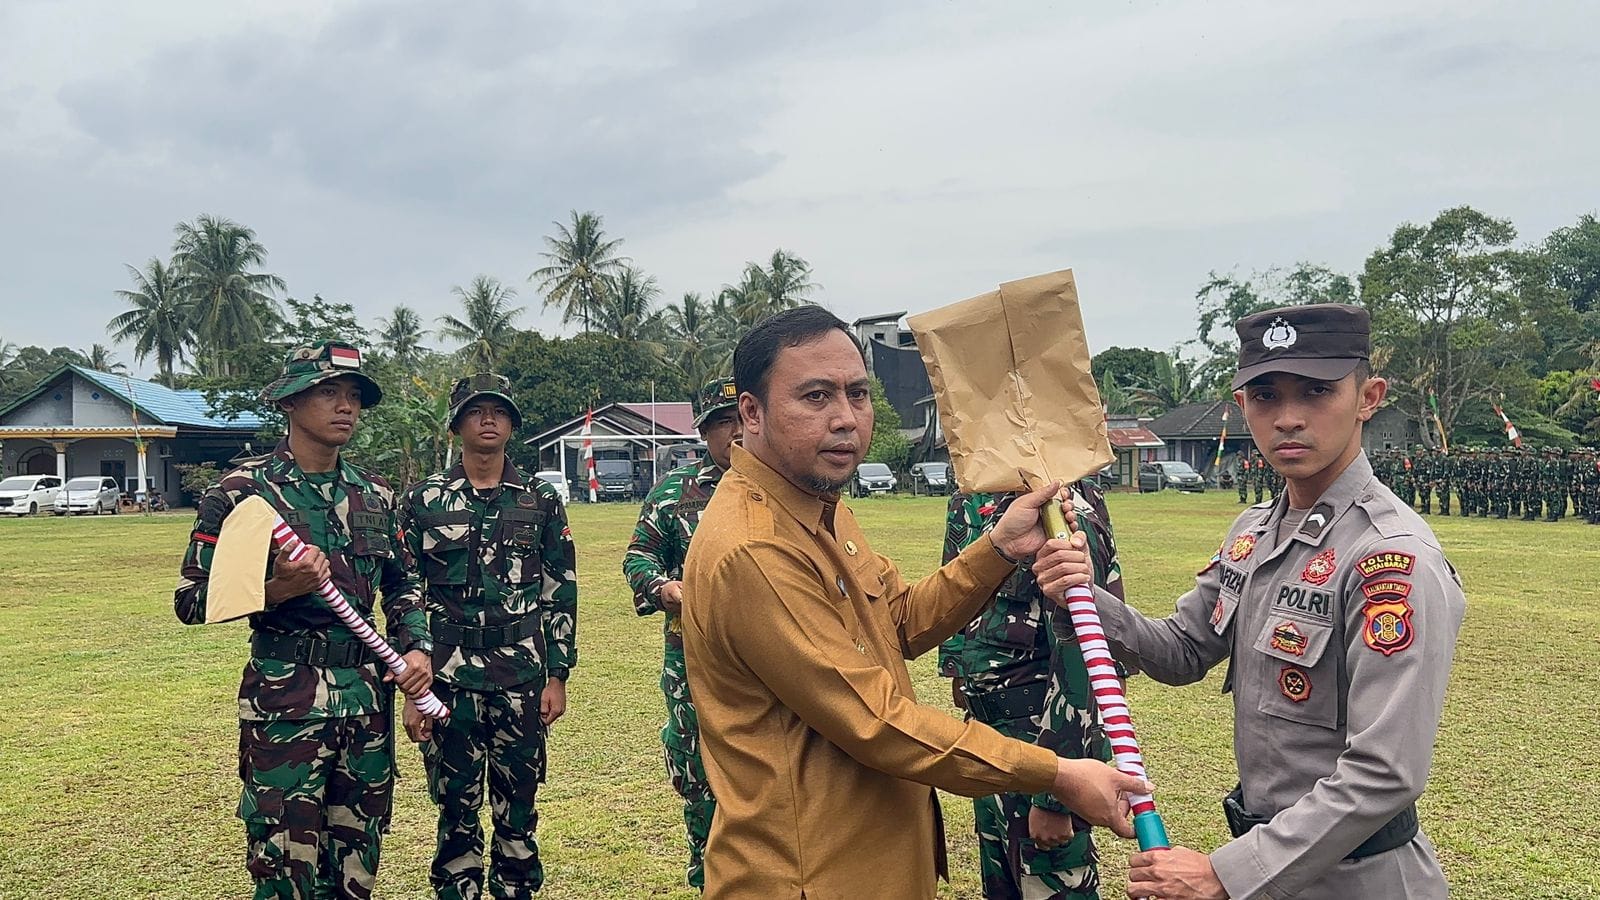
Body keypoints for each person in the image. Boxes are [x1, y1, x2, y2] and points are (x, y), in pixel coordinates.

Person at [680, 306, 1149, 900]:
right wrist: (1055, 774)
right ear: (751, 412)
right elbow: (875, 722)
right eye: (816, 397)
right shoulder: (755, 547)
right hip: (812, 875)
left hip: (871, 858)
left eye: (857, 394)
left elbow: (898, 621)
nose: (846, 419)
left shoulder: (815, 505)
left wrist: (999, 548)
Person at [1034, 304, 1465, 900]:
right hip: (1277, 870)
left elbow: (1385, 771)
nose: (1288, 418)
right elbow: (1183, 651)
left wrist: (1225, 874)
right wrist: (1084, 593)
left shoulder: (1390, 556)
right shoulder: (1255, 532)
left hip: (1359, 878)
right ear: (1242, 406)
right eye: (1266, 396)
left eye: (1317, 391)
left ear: (1368, 398)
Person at [174, 342, 432, 900]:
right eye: (328, 392)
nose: (346, 407)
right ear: (289, 402)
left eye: (354, 396)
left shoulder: (375, 494)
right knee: (284, 864)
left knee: (356, 864)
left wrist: (416, 649)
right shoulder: (243, 494)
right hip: (285, 705)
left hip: (365, 703)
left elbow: (403, 584)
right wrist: (278, 589)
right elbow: (192, 601)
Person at [398, 373, 577, 900]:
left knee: (519, 803)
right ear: (457, 425)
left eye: (499, 411)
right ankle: (458, 889)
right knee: (455, 805)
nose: (489, 420)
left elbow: (560, 589)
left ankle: (515, 889)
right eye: (477, 411)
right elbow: (405, 593)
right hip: (446, 678)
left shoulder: (540, 499)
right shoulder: (423, 500)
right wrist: (413, 691)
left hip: (520, 675)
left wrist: (558, 675)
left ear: (512, 424)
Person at [940, 482, 1124, 900]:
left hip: (1040, 737)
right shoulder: (972, 495)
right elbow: (956, 585)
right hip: (989, 739)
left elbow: (1085, 651)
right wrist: (958, 671)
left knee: (1051, 882)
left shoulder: (1064, 504)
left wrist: (1056, 796)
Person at [621, 376, 741, 891]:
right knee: (697, 765)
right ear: (704, 432)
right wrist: (661, 587)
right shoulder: (676, 492)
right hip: (694, 656)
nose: (735, 432)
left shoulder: (787, 486)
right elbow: (638, 555)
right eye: (722, 423)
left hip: (775, 656)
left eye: (742, 419)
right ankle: (708, 876)